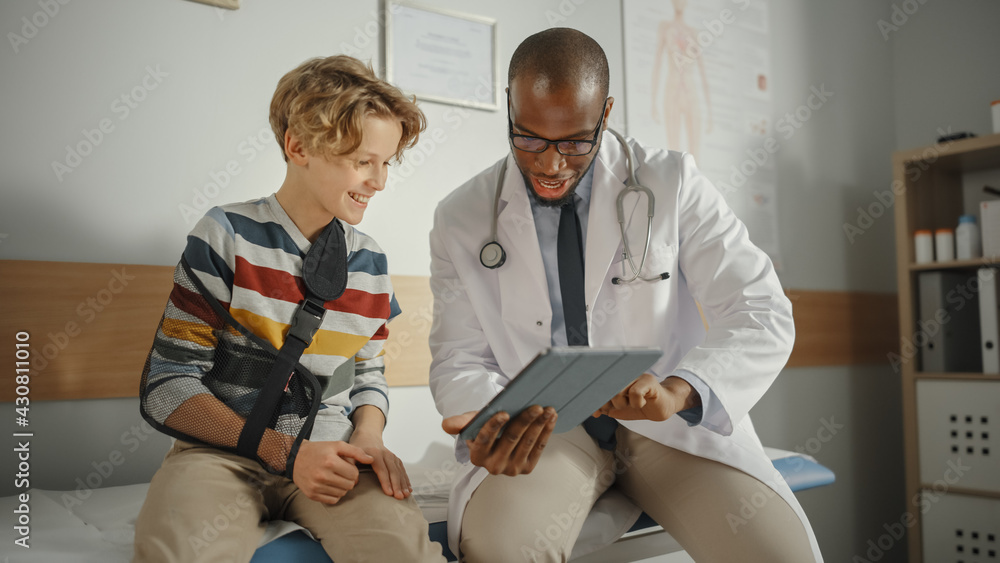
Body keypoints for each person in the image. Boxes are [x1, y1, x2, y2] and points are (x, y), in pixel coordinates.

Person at [428, 28, 822, 562]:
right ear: (509, 107)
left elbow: (760, 309)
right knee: (502, 550)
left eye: (574, 142)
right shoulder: (462, 216)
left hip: (664, 423)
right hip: (547, 429)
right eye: (528, 138)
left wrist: (681, 391)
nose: (549, 164)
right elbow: (459, 358)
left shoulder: (672, 181)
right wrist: (490, 418)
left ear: (606, 112)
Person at [133, 55, 445, 563]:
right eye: (363, 161)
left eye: (387, 163)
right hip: (219, 454)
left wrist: (369, 438)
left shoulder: (370, 262)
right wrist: (287, 454)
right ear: (298, 146)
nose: (380, 182)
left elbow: (366, 372)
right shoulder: (226, 234)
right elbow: (168, 385)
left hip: (331, 456)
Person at [650, 0, 713, 162]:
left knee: (695, 154)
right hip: (672, 91)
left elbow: (703, 71)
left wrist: (710, 112)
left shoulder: (694, 32)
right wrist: (653, 102)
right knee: (673, 152)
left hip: (691, 93)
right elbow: (657, 64)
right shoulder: (665, 27)